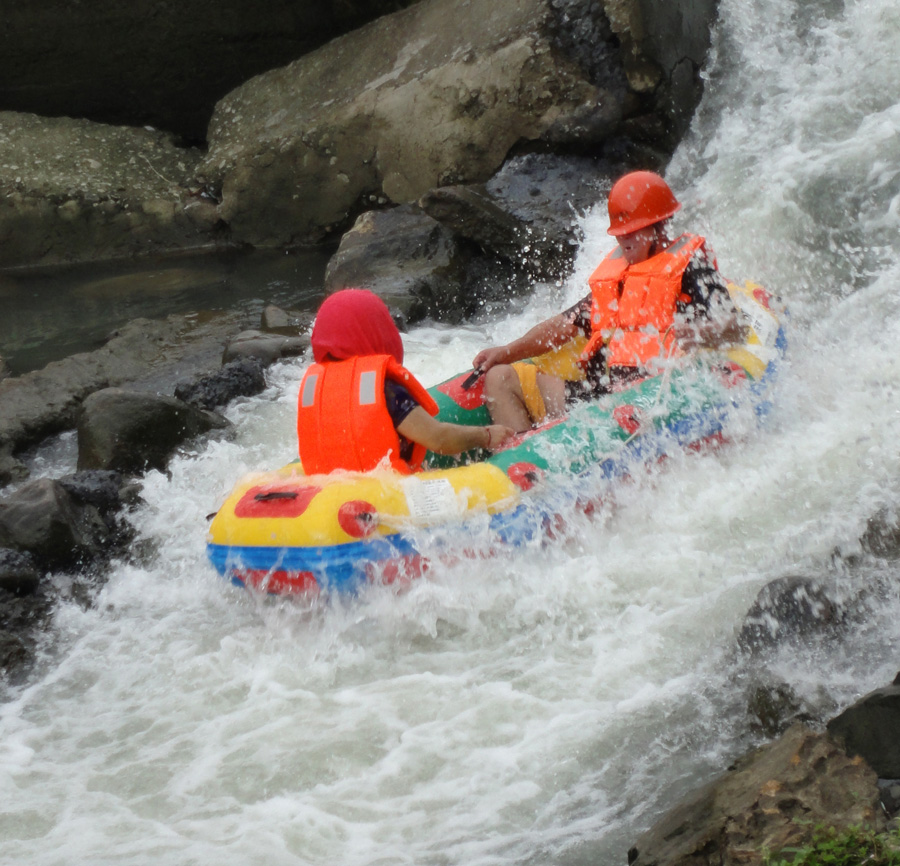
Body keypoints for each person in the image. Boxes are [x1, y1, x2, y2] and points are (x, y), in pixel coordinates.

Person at [472, 170, 747, 432]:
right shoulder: (620, 275)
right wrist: (506, 351)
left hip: (653, 401)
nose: (623, 239)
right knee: (500, 378)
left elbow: (737, 329)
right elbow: (565, 325)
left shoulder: (691, 269)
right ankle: (520, 462)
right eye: (619, 232)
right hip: (600, 399)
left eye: (632, 230)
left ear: (659, 226)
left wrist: (700, 333)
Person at [297, 289, 515, 474]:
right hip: (384, 498)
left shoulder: (318, 388)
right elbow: (438, 438)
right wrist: (486, 435)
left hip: (329, 493)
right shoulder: (384, 389)